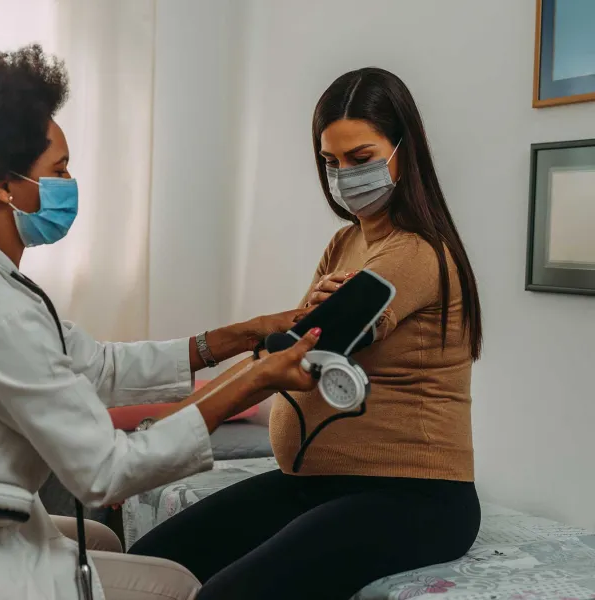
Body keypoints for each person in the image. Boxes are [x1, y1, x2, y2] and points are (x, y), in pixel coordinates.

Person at [0, 45, 322, 600]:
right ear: (4, 186)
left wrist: (246, 335)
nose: (70, 183)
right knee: (177, 585)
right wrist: (254, 379)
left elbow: (98, 364)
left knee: (101, 535)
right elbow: (104, 471)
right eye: (58, 170)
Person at [129, 67, 484, 599]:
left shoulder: (415, 254)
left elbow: (296, 354)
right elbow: (287, 345)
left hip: (414, 498)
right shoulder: (344, 244)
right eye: (331, 161)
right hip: (319, 485)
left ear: (405, 151)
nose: (343, 176)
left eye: (360, 159)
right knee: (144, 567)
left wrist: (160, 437)